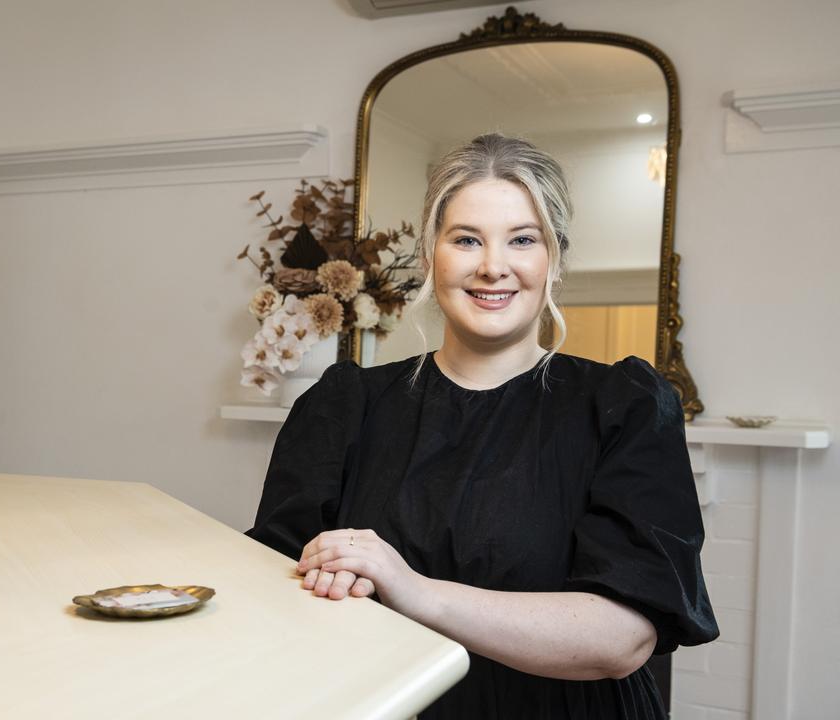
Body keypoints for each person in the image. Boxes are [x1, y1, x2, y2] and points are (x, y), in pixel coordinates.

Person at [246, 134, 718, 719]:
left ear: (556, 260)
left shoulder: (625, 404)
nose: (494, 266)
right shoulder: (344, 404)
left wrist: (409, 588)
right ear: (429, 256)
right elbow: (276, 587)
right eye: (466, 239)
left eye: (523, 240)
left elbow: (622, 641)